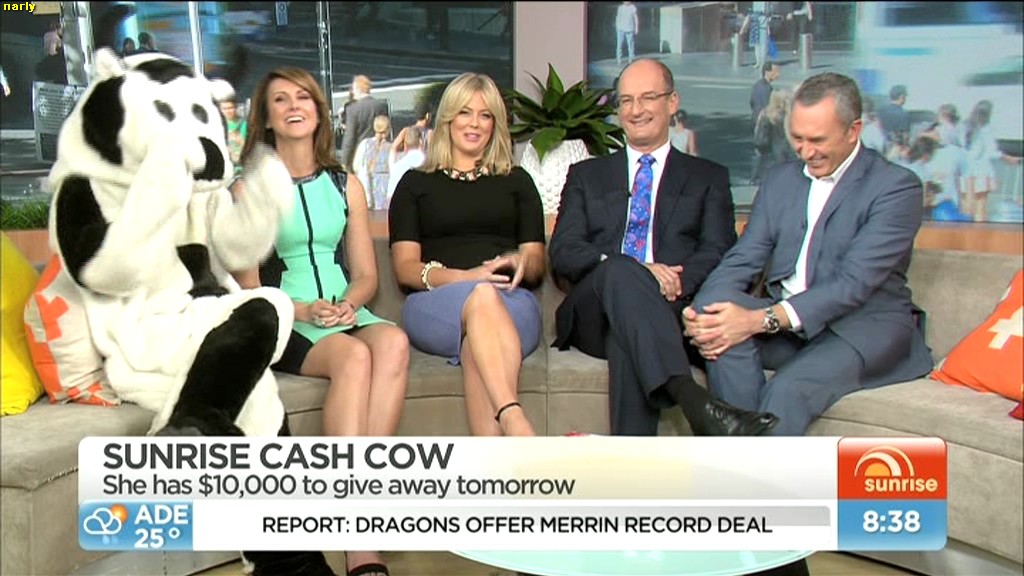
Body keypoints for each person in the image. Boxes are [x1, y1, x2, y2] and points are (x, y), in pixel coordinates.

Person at [683, 72, 934, 437]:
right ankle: (744, 453)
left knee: (787, 390)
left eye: (817, 140)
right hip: (791, 328)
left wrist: (760, 320)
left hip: (862, 329)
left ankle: (740, 468)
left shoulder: (896, 187)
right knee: (718, 330)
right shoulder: (780, 179)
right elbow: (744, 257)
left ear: (853, 130)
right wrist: (704, 312)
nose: (804, 151)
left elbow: (852, 283)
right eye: (797, 138)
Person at [235, 66, 407, 576]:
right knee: (353, 356)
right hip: (285, 317)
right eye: (281, 99)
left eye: (303, 97)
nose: (294, 106)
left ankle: (362, 497)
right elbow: (249, 290)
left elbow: (367, 275)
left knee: (393, 343)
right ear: (266, 118)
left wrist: (350, 303)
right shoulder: (248, 192)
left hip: (344, 309)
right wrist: (303, 310)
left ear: (318, 111)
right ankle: (359, 539)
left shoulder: (345, 183)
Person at [549, 58, 778, 438]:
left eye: (648, 98)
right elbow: (564, 249)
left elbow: (718, 249)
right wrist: (639, 272)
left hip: (667, 311)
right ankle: (694, 401)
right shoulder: (587, 175)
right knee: (620, 269)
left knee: (628, 334)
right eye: (626, 100)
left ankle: (636, 464)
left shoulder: (708, 177)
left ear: (672, 102)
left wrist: (673, 282)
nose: (635, 110)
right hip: (593, 311)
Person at [389, 72, 544, 437]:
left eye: (485, 115)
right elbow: (406, 269)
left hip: (511, 300)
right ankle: (512, 415)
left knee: (480, 332)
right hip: (436, 301)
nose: (475, 123)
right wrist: (467, 277)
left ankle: (494, 461)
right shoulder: (415, 184)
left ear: (495, 124)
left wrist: (518, 261)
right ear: (448, 118)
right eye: (465, 112)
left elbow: (537, 263)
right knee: (481, 296)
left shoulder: (518, 181)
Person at [339, 75, 389, 173]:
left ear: (358, 89)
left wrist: (344, 162)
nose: (353, 92)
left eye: (354, 89)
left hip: (360, 154)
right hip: (379, 151)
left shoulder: (353, 109)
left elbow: (350, 138)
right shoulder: (380, 106)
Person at [352, 114, 392, 210]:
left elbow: (356, 166)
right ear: (388, 130)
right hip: (385, 188)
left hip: (367, 186)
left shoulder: (364, 144)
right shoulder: (391, 148)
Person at [387, 125, 427, 208]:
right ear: (421, 141)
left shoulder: (396, 166)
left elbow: (393, 148)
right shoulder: (428, 164)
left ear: (405, 144)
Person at [217, 95, 247, 172]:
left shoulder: (245, 124)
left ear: (236, 108)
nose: (228, 111)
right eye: (225, 109)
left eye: (231, 108)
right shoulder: (216, 126)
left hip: (244, 167)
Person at [615, 1, 639, 65]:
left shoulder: (633, 8)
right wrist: (617, 26)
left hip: (630, 29)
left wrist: (636, 27)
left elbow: (636, 18)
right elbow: (618, 17)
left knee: (630, 45)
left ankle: (631, 59)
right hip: (620, 29)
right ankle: (619, 58)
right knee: (619, 44)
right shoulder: (620, 8)